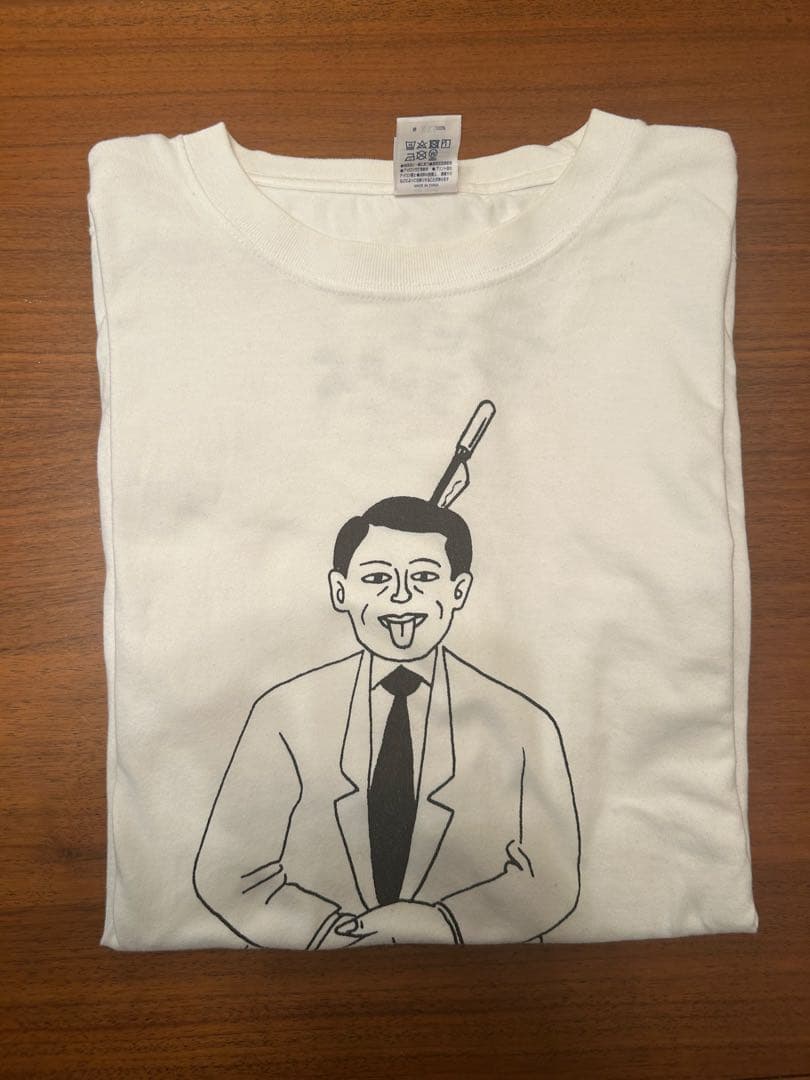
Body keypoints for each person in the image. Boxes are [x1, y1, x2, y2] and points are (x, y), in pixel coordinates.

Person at [193, 495, 581, 949]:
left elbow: (549, 879)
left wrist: (443, 923)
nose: (400, 595)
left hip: (480, 976)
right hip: (305, 974)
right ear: (340, 590)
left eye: (424, 576)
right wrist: (330, 933)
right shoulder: (280, 712)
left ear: (459, 591)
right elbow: (229, 872)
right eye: (377, 577)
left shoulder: (523, 724)